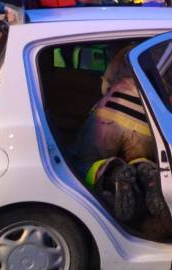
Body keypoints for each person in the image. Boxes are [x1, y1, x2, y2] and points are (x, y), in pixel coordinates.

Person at [69, 45, 167, 231]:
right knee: (141, 156)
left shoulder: (128, 50)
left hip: (109, 117)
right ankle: (143, 168)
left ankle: (112, 174)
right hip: (145, 124)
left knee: (83, 164)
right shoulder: (171, 50)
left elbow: (106, 84)